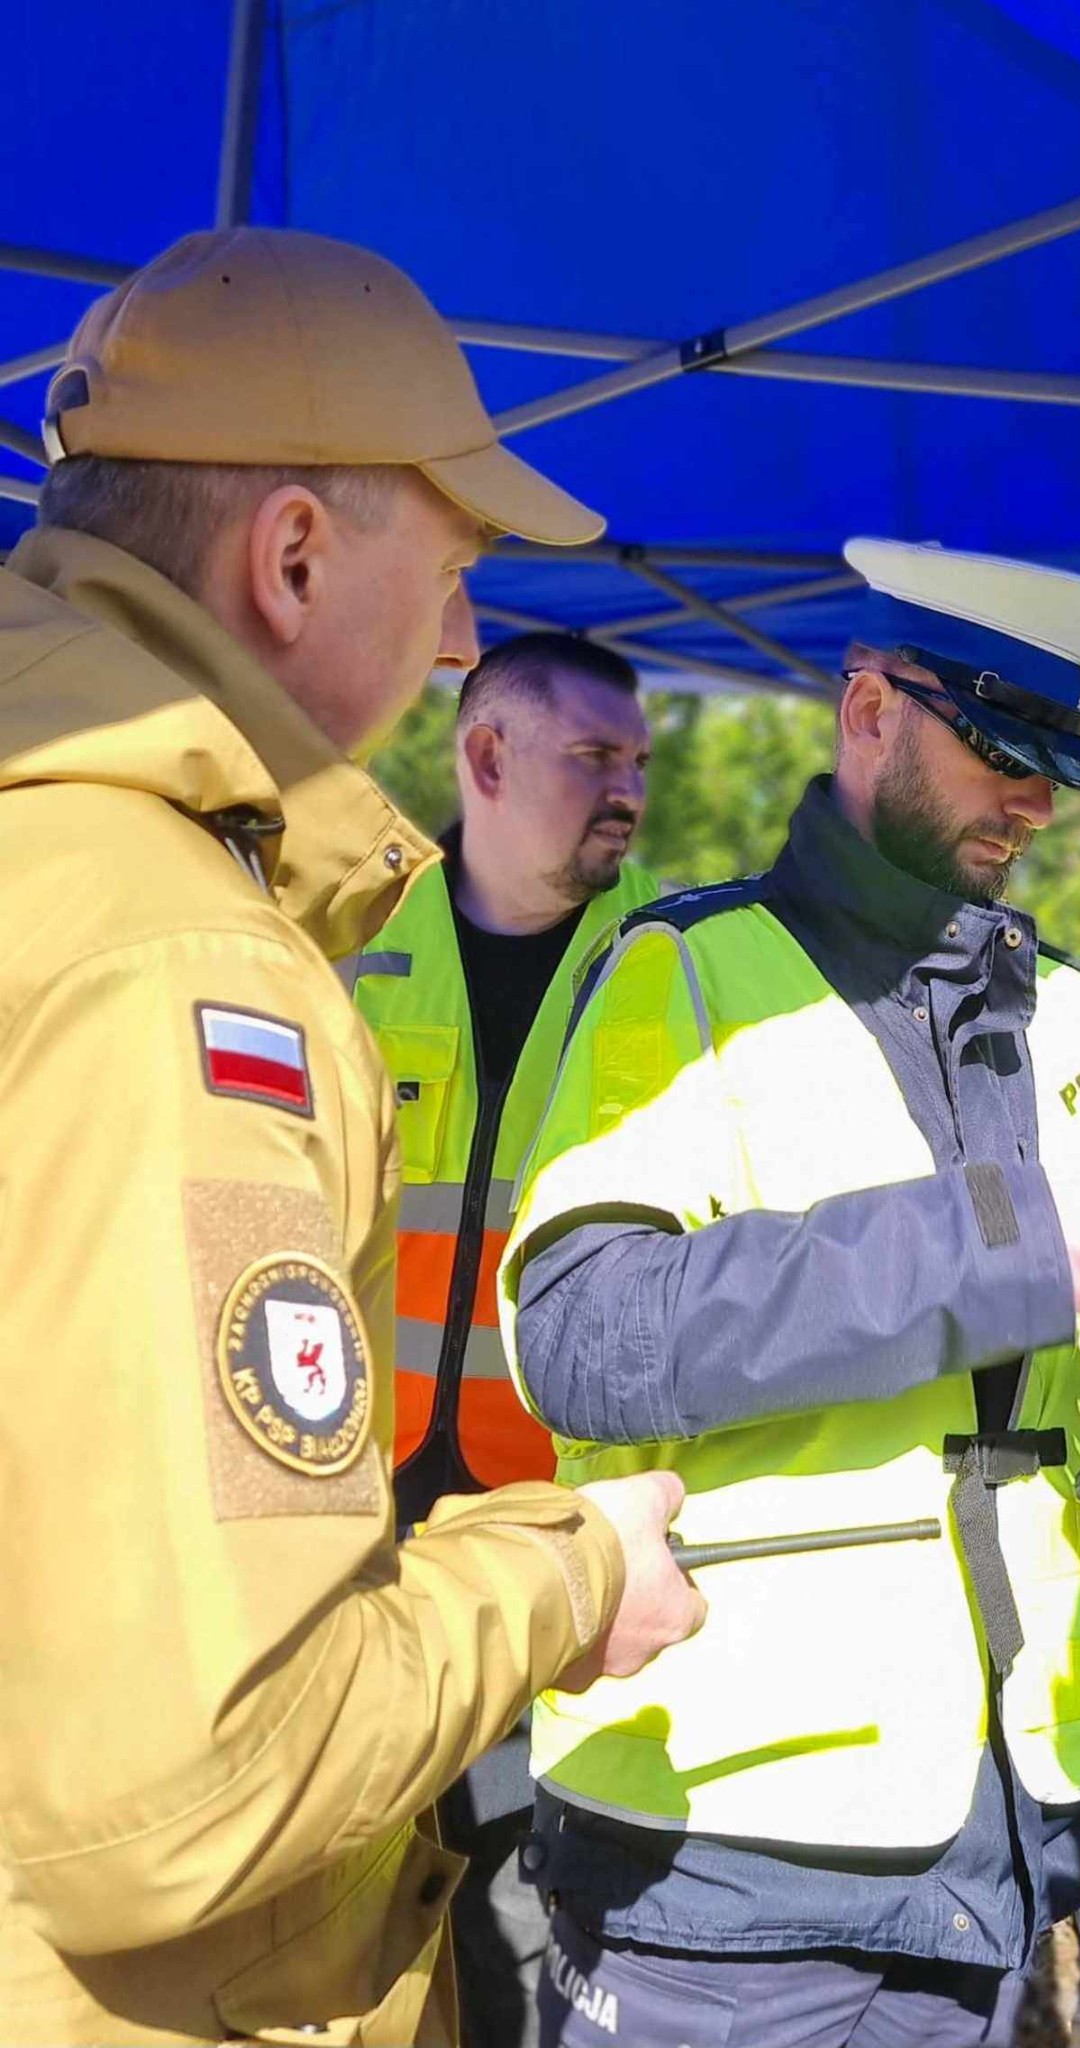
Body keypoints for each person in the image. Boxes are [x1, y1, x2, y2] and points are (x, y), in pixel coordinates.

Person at [0, 225, 702, 2048]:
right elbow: (202, 1779)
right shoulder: (180, 961)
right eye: (453, 570)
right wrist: (570, 1573)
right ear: (295, 555)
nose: (463, 638)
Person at [498, 537, 1080, 2048]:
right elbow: (581, 1331)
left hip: (1016, 1847)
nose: (1036, 804)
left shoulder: (1078, 1013)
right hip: (723, 1868)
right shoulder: (684, 974)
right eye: (1004, 751)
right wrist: (1010, 1241)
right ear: (871, 709)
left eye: (1059, 767)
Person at [349, 630, 660, 2046]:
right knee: (342, 1902)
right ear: (485, 756)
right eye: (594, 758)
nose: (629, 791)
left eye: (639, 762)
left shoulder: (678, 959)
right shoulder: (348, 939)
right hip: (347, 1519)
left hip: (564, 1526)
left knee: (533, 1930)